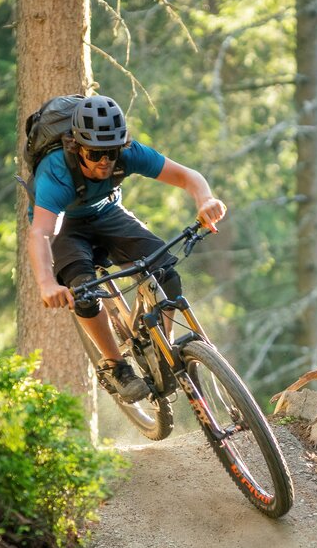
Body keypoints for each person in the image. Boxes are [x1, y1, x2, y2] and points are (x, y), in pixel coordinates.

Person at [27, 94, 227, 403]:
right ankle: (115, 365)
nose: (105, 161)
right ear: (77, 146)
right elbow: (41, 233)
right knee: (83, 289)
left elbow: (189, 177)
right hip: (63, 225)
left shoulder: (129, 154)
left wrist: (206, 200)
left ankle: (164, 348)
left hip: (106, 212)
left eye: (111, 151)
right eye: (95, 153)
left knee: (166, 271)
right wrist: (46, 283)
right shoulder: (57, 172)